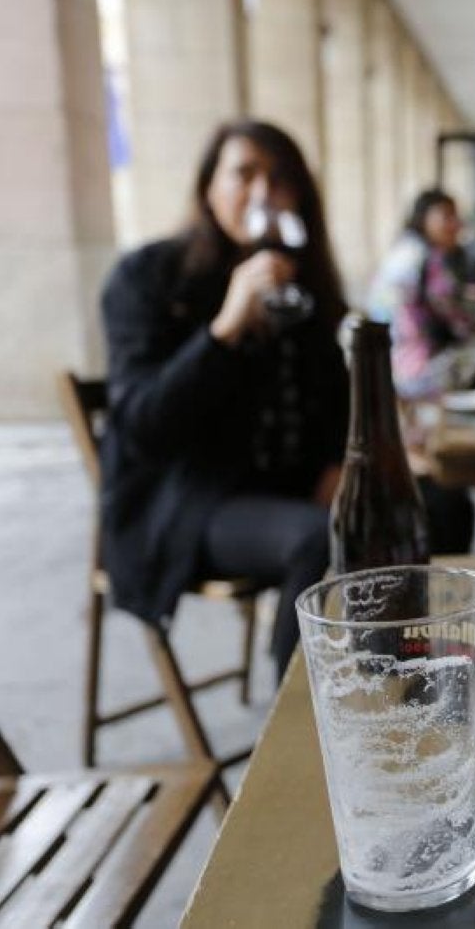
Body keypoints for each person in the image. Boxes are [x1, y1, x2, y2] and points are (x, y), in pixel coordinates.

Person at [100, 120, 349, 679]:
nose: (262, 192)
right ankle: (298, 736)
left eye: (280, 178)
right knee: (319, 539)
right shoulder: (147, 277)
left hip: (285, 491)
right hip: (186, 504)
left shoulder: (302, 286)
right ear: (209, 186)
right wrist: (227, 326)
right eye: (244, 173)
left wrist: (337, 462)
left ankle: (392, 686)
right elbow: (143, 425)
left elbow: (337, 391)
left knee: (430, 504)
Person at [366, 188, 475, 399]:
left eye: (455, 216)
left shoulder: (410, 250)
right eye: (447, 216)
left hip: (397, 364)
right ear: (423, 217)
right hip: (416, 368)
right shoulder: (417, 255)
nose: (456, 224)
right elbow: (447, 313)